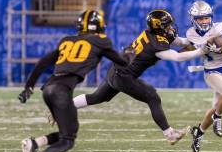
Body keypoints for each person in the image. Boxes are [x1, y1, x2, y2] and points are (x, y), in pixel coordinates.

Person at [15, 10, 129, 152]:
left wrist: (28, 87)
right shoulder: (100, 41)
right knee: (68, 140)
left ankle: (34, 143)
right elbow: (122, 62)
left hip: (48, 89)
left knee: (65, 132)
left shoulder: (67, 40)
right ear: (98, 26)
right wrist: (128, 55)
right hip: (62, 91)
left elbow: (43, 62)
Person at [72, 9, 209, 144]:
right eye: (167, 26)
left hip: (115, 70)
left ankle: (64, 106)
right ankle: (170, 134)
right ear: (159, 27)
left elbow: (181, 42)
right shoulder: (155, 44)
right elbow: (178, 57)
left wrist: (199, 40)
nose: (171, 28)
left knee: (97, 97)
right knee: (152, 97)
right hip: (123, 76)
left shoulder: (153, 33)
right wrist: (201, 51)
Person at [186, 0, 222, 152]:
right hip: (211, 71)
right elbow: (190, 49)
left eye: (206, 17)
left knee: (215, 107)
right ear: (193, 19)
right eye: (200, 18)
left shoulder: (220, 27)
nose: (204, 21)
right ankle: (217, 118)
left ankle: (199, 132)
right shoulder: (190, 33)